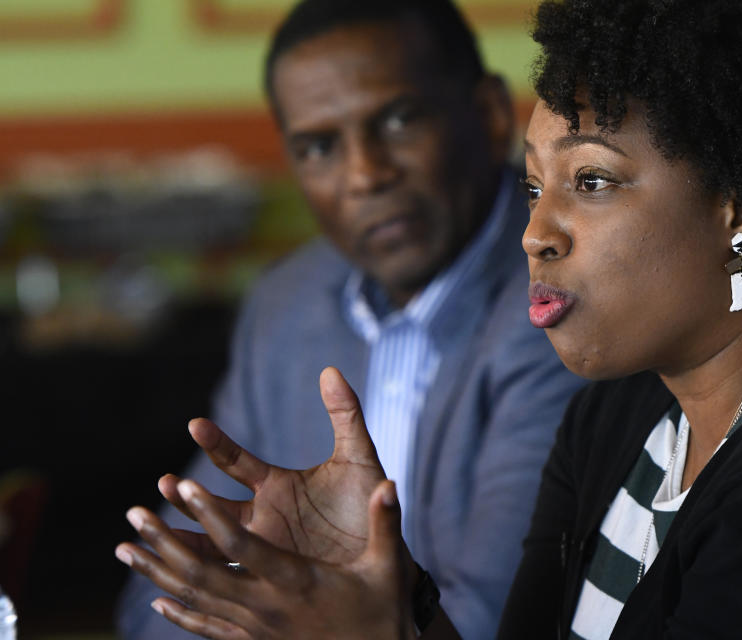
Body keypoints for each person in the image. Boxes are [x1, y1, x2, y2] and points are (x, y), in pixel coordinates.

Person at [114, 0, 742, 638]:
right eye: (532, 186)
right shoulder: (627, 405)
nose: (534, 233)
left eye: (590, 183)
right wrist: (388, 598)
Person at [113, 1, 584, 638]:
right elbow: (168, 593)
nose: (366, 175)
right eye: (319, 147)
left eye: (398, 120)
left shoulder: (561, 290)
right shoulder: (286, 301)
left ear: (490, 115)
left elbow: (499, 617)